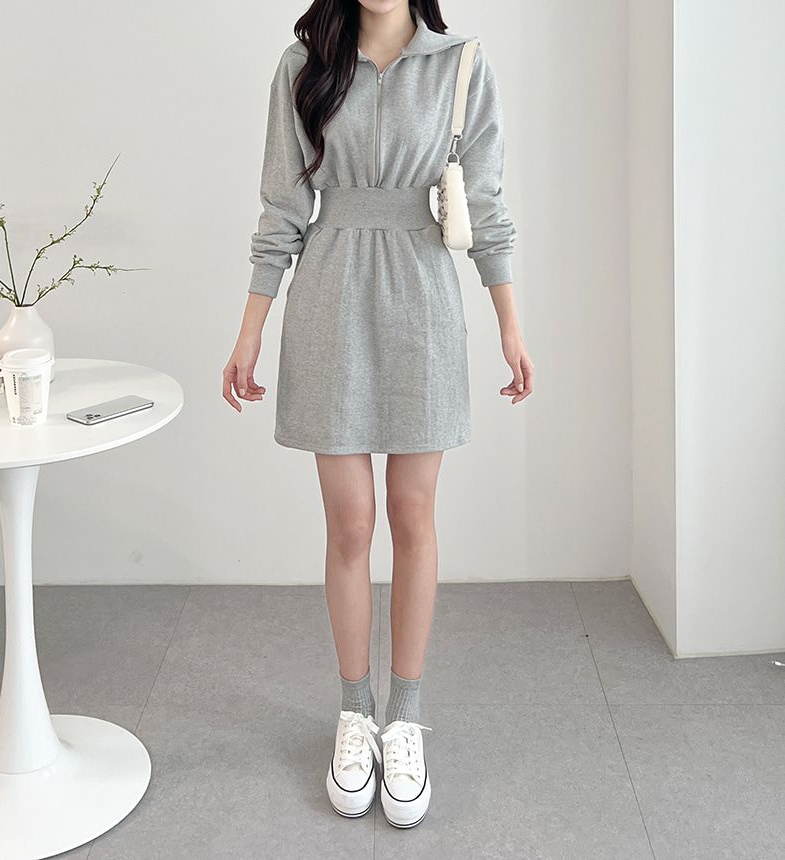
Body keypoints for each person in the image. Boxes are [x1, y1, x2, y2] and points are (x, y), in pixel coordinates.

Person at [222, 0, 533, 829]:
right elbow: (281, 209)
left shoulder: (463, 65)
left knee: (413, 515)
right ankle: (354, 712)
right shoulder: (304, 67)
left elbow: (486, 204)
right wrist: (250, 330)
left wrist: (509, 325)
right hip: (329, 299)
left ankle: (405, 719)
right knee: (351, 524)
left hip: (423, 301)